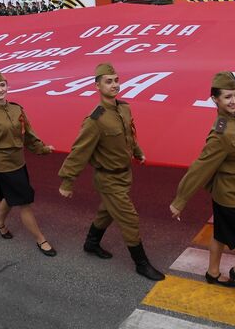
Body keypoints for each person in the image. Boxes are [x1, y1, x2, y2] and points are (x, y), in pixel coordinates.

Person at [169, 72, 235, 297]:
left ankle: (212, 272)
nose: (234, 100)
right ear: (214, 100)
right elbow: (201, 167)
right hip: (230, 195)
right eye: (227, 97)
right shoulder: (221, 133)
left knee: (220, 234)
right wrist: (180, 200)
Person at [58, 63, 164, 281]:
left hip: (124, 174)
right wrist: (67, 182)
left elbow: (129, 134)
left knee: (106, 212)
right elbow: (79, 151)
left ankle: (91, 243)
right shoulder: (95, 120)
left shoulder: (124, 108)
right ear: (97, 85)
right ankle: (141, 263)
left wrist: (137, 151)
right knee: (129, 219)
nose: (115, 85)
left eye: (116, 80)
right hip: (107, 178)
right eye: (109, 81)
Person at [0, 71, 57, 256]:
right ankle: (41, 239)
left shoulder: (17, 109)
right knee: (24, 201)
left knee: (9, 196)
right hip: (3, 164)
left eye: (2, 85)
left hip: (19, 162)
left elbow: (29, 134)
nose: (0, 89)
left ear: (8, 86)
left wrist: (42, 148)